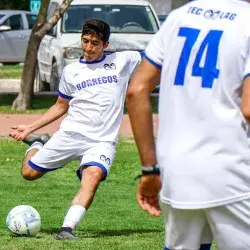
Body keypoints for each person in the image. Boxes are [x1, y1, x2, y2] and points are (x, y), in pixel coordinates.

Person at [126, 0, 250, 249]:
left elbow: (136, 90)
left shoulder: (177, 18)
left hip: (177, 171)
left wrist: (150, 169)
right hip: (234, 172)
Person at [9, 18, 142, 240]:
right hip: (70, 134)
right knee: (29, 173)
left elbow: (160, 58)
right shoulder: (72, 71)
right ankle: (37, 142)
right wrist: (30, 128)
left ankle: (67, 229)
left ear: (106, 45)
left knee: (93, 175)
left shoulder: (124, 60)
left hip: (102, 141)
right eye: (86, 41)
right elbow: (60, 106)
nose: (89, 47)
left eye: (95, 43)